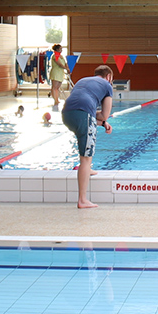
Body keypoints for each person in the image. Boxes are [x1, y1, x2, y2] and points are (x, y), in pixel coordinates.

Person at [62, 65, 114, 209]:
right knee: (85, 157)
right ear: (108, 76)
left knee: (84, 141)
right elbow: (104, 114)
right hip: (82, 115)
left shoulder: (82, 80)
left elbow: (85, 114)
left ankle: (87, 168)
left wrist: (102, 123)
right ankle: (82, 200)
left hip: (66, 114)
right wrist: (104, 120)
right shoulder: (107, 85)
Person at [48, 44, 69, 110]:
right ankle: (55, 100)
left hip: (60, 73)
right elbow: (59, 64)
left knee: (58, 87)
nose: (62, 50)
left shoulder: (61, 56)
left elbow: (65, 63)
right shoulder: (54, 56)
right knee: (54, 87)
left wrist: (67, 68)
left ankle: (57, 99)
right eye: (60, 48)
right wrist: (66, 68)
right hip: (55, 72)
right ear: (57, 49)